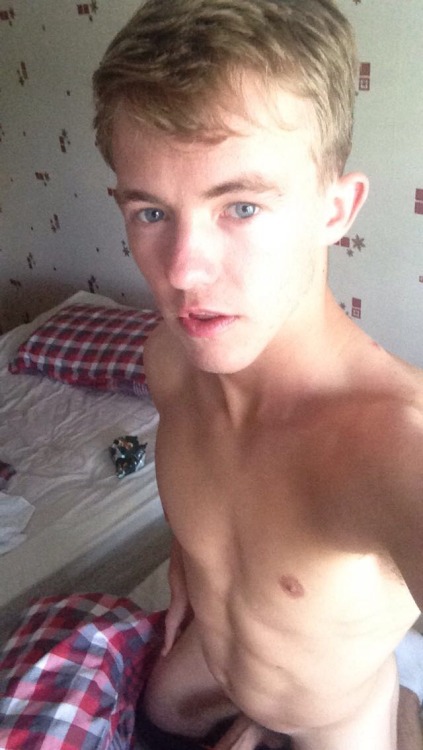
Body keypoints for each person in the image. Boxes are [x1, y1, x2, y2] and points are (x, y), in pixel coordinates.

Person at [92, 1, 423, 747]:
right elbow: (213, 492)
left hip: (329, 712)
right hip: (222, 659)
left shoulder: (396, 446)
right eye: (151, 213)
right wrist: (187, 562)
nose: (183, 272)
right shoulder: (168, 361)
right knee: (162, 711)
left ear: (335, 209)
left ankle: (395, 705)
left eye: (240, 207)